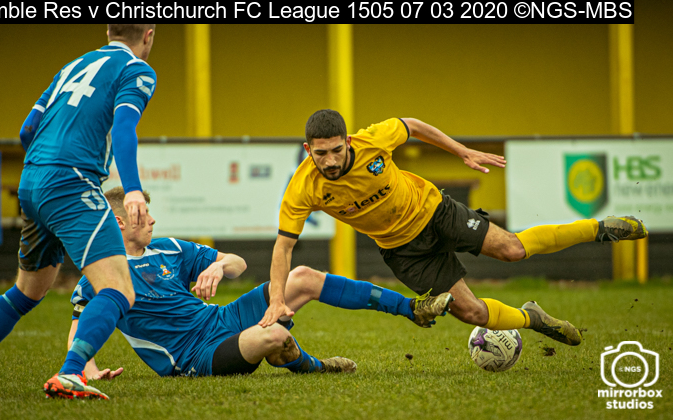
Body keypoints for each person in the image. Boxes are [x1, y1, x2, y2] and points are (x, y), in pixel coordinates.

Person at [262, 109, 648, 347]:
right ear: (308, 149)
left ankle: (598, 229)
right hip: (402, 251)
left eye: (336, 150)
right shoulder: (302, 188)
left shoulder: (373, 141)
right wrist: (277, 299)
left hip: (435, 211)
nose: (330, 161)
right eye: (320, 153)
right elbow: (283, 247)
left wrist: (461, 150)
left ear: (347, 142)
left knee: (512, 249)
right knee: (473, 314)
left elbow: (412, 125)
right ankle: (532, 318)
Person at [0, 24, 157, 399]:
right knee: (119, 289)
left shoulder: (71, 66)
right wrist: (133, 189)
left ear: (107, 30)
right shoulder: (136, 69)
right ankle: (71, 373)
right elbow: (123, 129)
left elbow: (28, 129)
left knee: (26, 293)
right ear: (148, 34)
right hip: (71, 183)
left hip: (33, 179)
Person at [67, 187, 429, 381]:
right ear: (120, 222)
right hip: (196, 356)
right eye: (144, 215)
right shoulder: (101, 273)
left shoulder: (169, 248)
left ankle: (409, 308)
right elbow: (80, 322)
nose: (152, 220)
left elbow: (238, 263)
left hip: (222, 318)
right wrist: (87, 369)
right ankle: (318, 367)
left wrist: (219, 266)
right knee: (274, 337)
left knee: (303, 276)